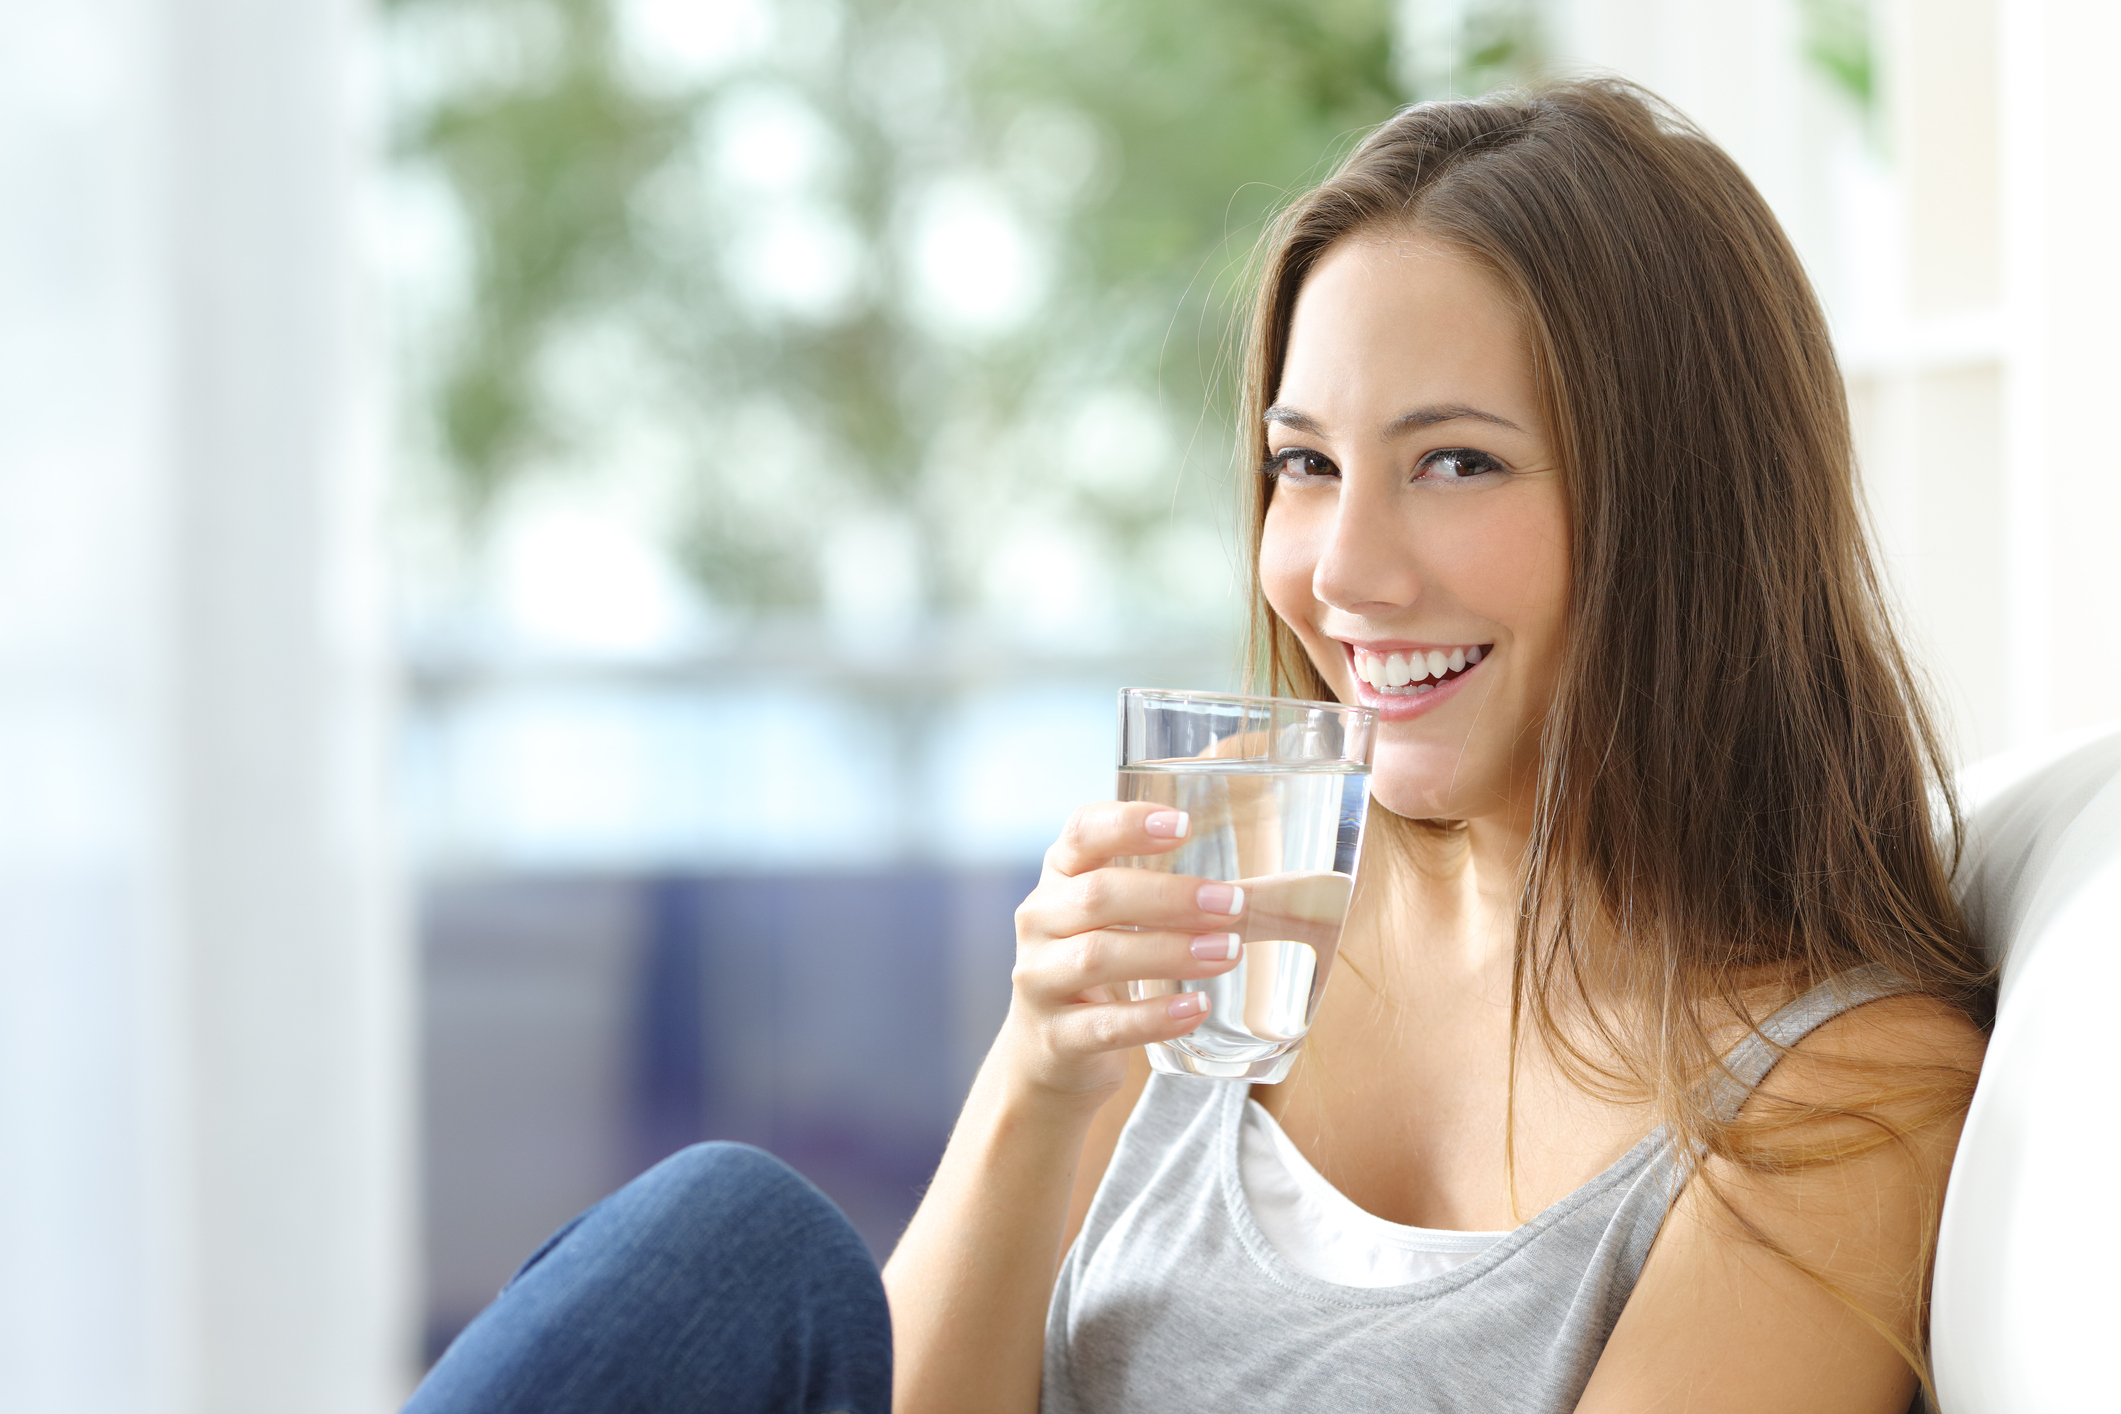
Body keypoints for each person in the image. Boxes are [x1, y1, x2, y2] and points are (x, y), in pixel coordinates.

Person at [406, 79, 1989, 1414]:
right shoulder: (1245, 891)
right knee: (729, 1240)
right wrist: (1040, 1076)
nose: (1343, 569)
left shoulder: (1840, 1090)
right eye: (1304, 464)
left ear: (1685, 515)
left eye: (1453, 462)